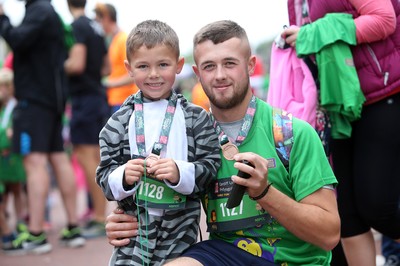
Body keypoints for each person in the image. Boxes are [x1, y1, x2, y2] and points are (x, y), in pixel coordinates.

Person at [104, 20, 341, 265]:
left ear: (250, 66)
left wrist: (265, 193)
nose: (219, 75)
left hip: (297, 260)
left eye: (230, 63)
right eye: (209, 66)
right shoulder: (188, 136)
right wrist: (122, 220)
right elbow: (150, 193)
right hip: (224, 253)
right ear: (197, 74)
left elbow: (329, 234)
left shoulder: (291, 133)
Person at [283, 1, 400, 265]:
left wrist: (313, 34)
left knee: (378, 209)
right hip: (337, 104)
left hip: (383, 93)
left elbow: (384, 19)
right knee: (345, 215)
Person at [96, 19, 221, 265]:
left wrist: (179, 172)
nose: (153, 74)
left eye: (163, 64)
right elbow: (104, 178)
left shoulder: (196, 117)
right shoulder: (117, 122)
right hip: (133, 229)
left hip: (180, 228)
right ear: (129, 68)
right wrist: (122, 175)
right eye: (143, 66)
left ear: (178, 65)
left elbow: (212, 166)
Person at [0, 0, 85, 255]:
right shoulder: (50, 12)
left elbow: (17, 39)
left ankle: (36, 232)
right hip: (51, 102)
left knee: (34, 162)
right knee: (58, 159)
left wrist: (2, 18)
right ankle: (72, 226)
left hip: (35, 102)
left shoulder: (39, 10)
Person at [64, 0, 110, 239]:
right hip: (97, 96)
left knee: (86, 157)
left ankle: (100, 217)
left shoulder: (77, 26)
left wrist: (54, 67)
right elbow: (106, 68)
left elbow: (77, 63)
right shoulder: (95, 26)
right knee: (96, 157)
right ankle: (100, 215)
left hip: (84, 100)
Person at [93, 2, 138, 114]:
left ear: (107, 18)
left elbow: (134, 74)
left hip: (125, 101)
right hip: (116, 100)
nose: (98, 25)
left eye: (99, 21)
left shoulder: (123, 40)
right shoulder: (114, 41)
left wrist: (108, 83)